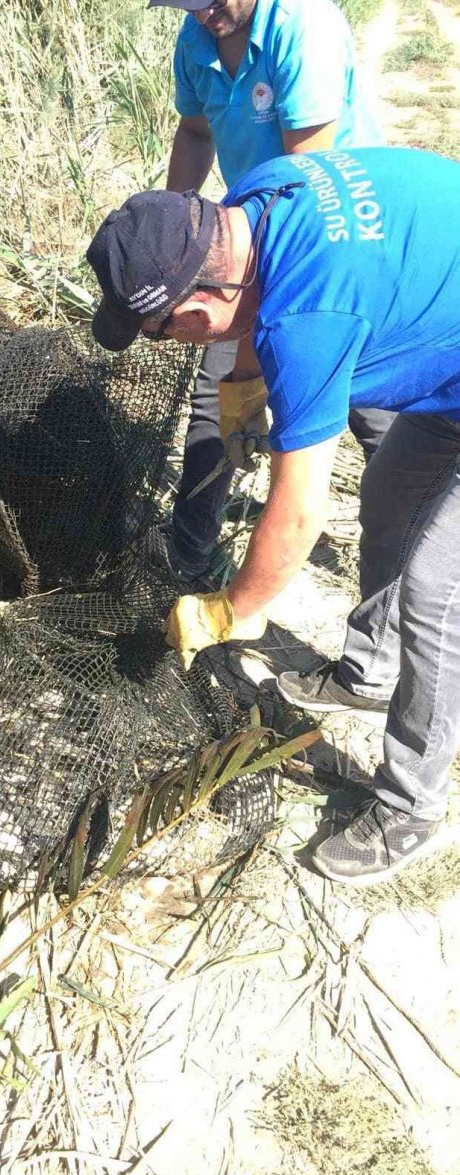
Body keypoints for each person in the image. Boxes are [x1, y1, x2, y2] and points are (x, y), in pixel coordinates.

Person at [85, 145, 460, 886]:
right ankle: (368, 673)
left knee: (433, 590)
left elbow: (298, 516)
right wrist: (243, 395)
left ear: (192, 312)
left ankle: (412, 807)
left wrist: (234, 608)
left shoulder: (306, 318)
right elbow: (247, 319)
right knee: (389, 498)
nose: (172, 347)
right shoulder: (252, 201)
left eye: (161, 334)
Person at [148, 0, 391, 586]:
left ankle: (413, 532)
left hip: (336, 238)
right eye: (187, 6)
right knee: (218, 391)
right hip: (251, 233)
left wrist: (253, 333)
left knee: (363, 397)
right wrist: (173, 234)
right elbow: (194, 129)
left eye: (210, 2)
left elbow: (305, 181)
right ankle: (189, 552)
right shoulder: (197, 40)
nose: (203, 16)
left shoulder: (303, 25)